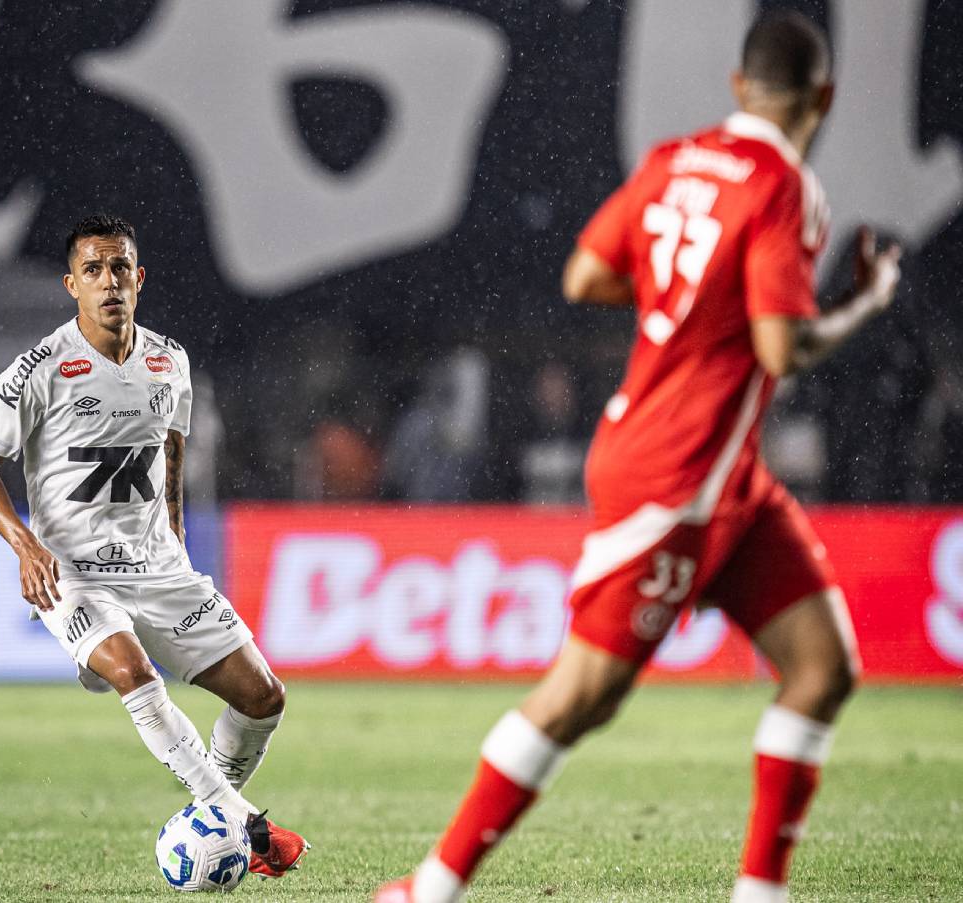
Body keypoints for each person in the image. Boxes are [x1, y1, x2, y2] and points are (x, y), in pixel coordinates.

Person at [376, 12, 901, 903]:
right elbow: (782, 349)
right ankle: (428, 889)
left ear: (739, 88)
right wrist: (864, 304)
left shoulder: (673, 160)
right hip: (678, 472)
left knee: (822, 667)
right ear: (827, 96)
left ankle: (760, 895)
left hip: (724, 475)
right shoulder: (784, 187)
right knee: (582, 694)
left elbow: (583, 276)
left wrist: (680, 293)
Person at [0, 214, 308, 879]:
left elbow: (170, 450)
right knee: (136, 673)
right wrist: (25, 545)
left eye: (120, 267)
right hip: (72, 571)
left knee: (264, 698)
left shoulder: (169, 360)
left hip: (158, 567)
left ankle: (210, 814)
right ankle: (245, 824)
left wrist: (174, 529)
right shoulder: (39, 368)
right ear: (72, 285)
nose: (109, 281)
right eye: (93, 270)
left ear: (139, 278)